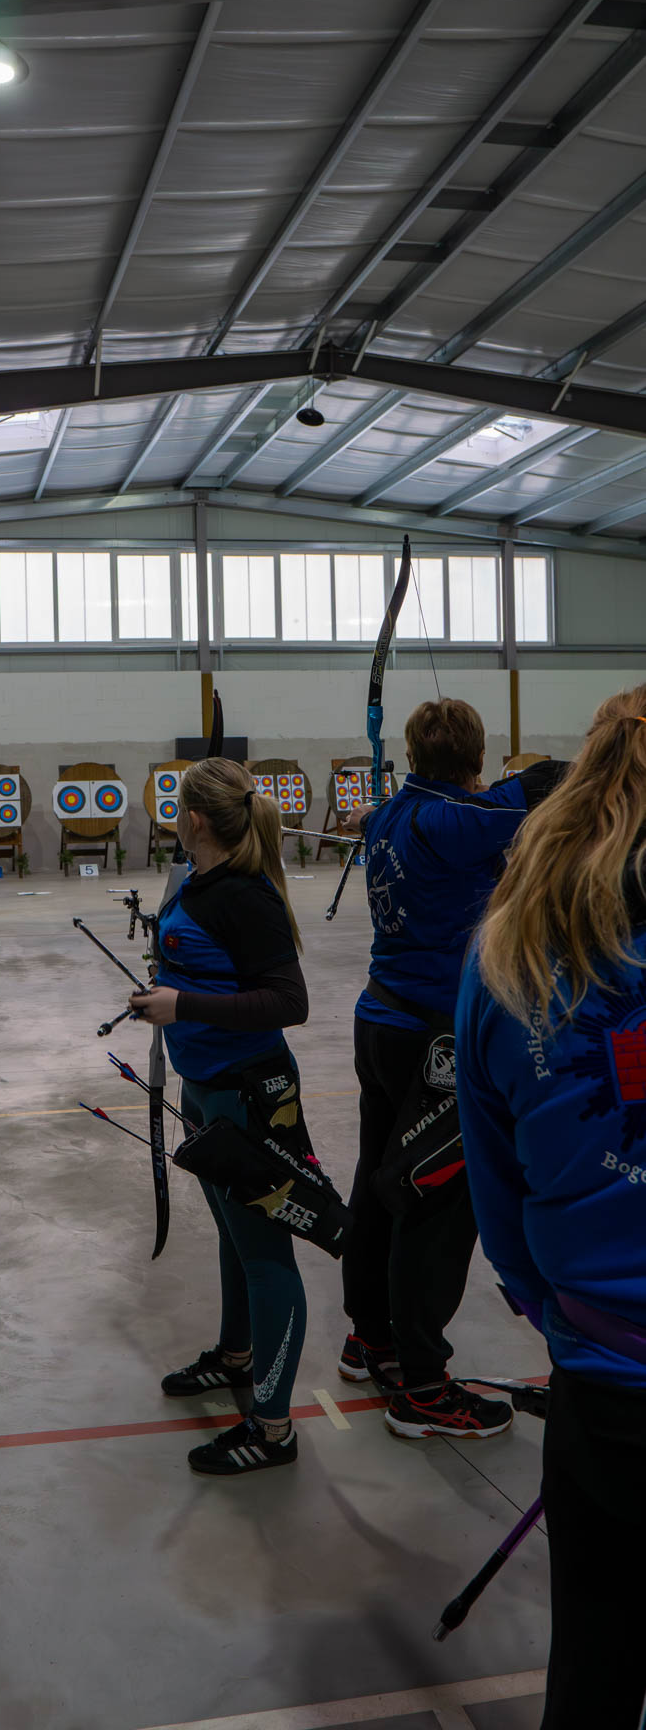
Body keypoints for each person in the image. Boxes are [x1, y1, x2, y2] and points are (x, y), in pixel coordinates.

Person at [457, 686, 646, 1730]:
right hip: (601, 1363)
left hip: (599, 1377)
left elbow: (496, 1192)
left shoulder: (509, 952)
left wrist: (558, 1312)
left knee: (592, 1670)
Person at [338, 698, 565, 1437]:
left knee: (380, 1181)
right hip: (430, 1042)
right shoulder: (459, 819)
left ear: (410, 755)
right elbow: (552, 780)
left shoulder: (391, 814)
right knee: (433, 1202)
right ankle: (423, 1388)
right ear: (476, 758)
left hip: (379, 1020)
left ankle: (370, 1339)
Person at [128, 757, 310, 1476]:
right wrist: (171, 987)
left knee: (265, 1255)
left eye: (177, 807)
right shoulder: (202, 880)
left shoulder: (244, 895)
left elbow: (288, 1001)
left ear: (196, 819)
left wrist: (183, 1004)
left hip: (248, 1095)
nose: (173, 817)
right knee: (235, 1238)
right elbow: (207, 970)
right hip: (206, 1086)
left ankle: (273, 1427)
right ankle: (238, 1356)